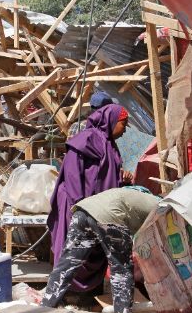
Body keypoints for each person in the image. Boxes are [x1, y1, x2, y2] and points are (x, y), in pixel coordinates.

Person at [47, 103, 130, 293]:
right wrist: (80, 206)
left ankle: (88, 294)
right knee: (73, 249)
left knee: (94, 249)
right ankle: (64, 294)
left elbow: (104, 176)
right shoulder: (87, 139)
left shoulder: (109, 145)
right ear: (111, 121)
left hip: (96, 207)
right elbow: (72, 172)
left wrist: (123, 178)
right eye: (123, 125)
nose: (124, 131)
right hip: (76, 203)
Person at [42, 187, 159, 312]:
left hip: (82, 211)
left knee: (66, 265)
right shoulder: (166, 207)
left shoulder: (143, 197)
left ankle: (43, 309)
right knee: (121, 269)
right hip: (110, 216)